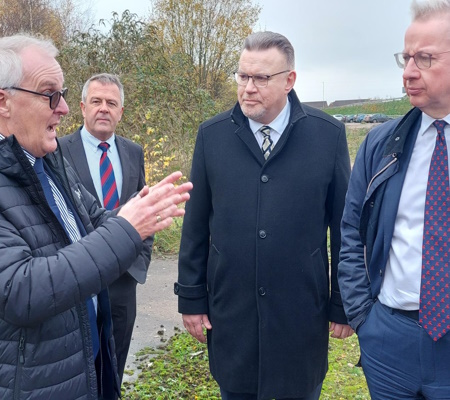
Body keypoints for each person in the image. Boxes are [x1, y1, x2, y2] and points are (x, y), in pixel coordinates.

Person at [0, 34, 192, 400]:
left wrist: (144, 214)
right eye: (50, 94)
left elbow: (98, 220)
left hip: (85, 362)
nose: (65, 108)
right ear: (3, 101)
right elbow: (20, 289)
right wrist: (127, 228)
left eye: (65, 93)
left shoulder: (48, 162)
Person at [175, 31, 353, 400]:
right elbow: (195, 225)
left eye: (261, 78)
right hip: (232, 314)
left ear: (289, 80)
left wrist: (342, 302)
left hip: (300, 314)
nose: (248, 88)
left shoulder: (328, 136)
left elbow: (343, 228)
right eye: (243, 76)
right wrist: (191, 299)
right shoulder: (212, 136)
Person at [338, 0, 450, 398]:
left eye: (425, 58)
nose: (408, 72)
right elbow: (352, 229)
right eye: (405, 58)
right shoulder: (381, 144)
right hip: (389, 339)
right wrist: (365, 318)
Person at [59, 73, 151, 384]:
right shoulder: (57, 151)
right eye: (96, 101)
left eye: (111, 103)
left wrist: (137, 266)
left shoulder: (133, 152)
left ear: (121, 112)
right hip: (76, 282)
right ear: (82, 107)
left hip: (123, 282)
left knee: (115, 367)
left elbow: (145, 210)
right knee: (78, 371)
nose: (103, 109)